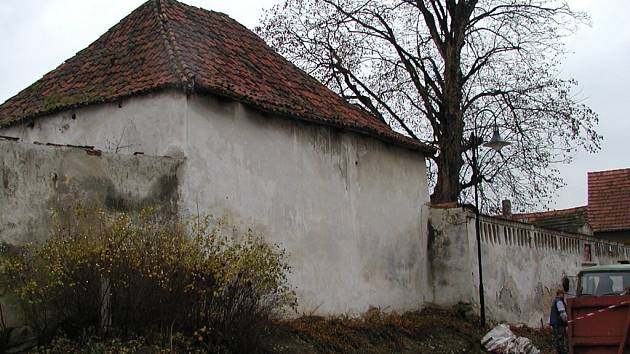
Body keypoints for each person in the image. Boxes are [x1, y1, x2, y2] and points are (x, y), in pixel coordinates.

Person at [549, 289, 568, 354]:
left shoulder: (554, 301)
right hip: (559, 323)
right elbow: (562, 313)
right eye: (562, 294)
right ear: (559, 294)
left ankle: (557, 351)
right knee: (560, 339)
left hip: (555, 323)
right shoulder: (559, 302)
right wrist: (567, 321)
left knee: (556, 339)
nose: (563, 295)